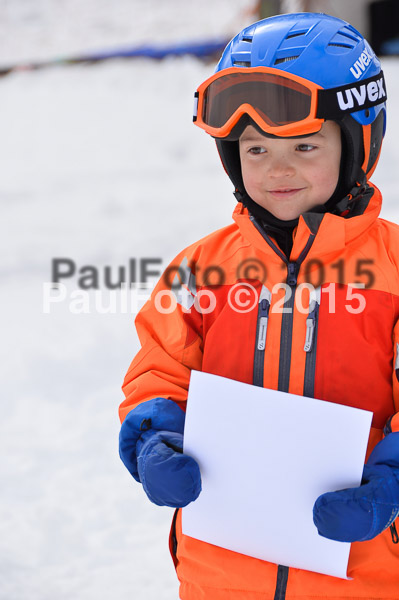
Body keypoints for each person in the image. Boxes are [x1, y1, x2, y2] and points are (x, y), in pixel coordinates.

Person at [119, 12, 399, 600]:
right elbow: (159, 372)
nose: (278, 169)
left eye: (304, 145)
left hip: (364, 567)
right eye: (255, 148)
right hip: (222, 569)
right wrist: (154, 436)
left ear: (356, 144)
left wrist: (393, 481)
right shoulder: (200, 269)